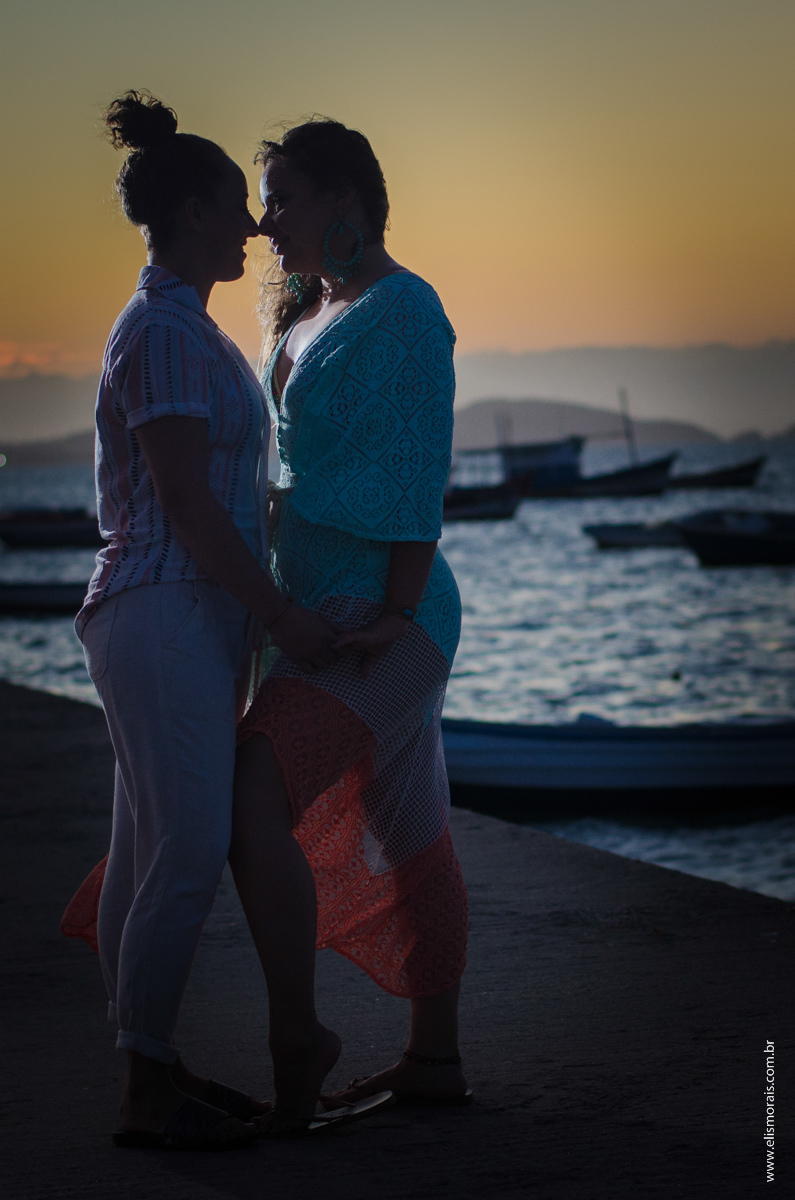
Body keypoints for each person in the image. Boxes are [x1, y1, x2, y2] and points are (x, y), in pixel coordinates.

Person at [61, 92, 355, 1149]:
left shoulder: (181, 327)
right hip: (164, 609)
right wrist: (282, 614)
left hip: (177, 616)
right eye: (238, 207)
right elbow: (186, 505)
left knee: (149, 852)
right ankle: (146, 1086)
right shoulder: (164, 333)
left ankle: (155, 1066)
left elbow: (216, 498)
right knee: (184, 846)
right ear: (192, 211)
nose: (252, 228)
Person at [230, 118, 471, 1119]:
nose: (265, 218)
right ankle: (436, 1061)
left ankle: (301, 1035)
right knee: (412, 828)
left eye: (282, 195)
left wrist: (397, 610)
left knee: (249, 799)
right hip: (319, 604)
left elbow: (421, 468)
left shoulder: (405, 308)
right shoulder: (304, 313)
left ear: (345, 199)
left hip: (382, 615)